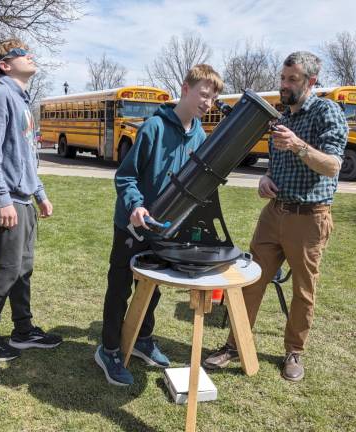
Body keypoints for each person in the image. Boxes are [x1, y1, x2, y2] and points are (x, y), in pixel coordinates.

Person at [203, 51, 348, 382]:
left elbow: (333, 166)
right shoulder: (281, 116)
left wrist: (297, 145)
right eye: (282, 78)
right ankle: (235, 344)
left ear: (310, 82)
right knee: (249, 279)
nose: (283, 85)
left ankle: (294, 351)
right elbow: (276, 166)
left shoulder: (327, 112)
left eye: (292, 80)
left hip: (309, 218)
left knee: (303, 289)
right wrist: (265, 180)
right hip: (274, 212)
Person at [95, 64, 224, 386]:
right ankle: (108, 349)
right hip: (132, 226)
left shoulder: (200, 135)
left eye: (213, 98)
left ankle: (141, 339)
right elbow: (126, 176)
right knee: (120, 287)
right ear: (185, 88)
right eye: (203, 95)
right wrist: (135, 206)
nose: (207, 103)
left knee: (151, 288)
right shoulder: (153, 127)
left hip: (166, 230)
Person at [0, 39, 62, 362]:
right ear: (5, 65)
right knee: (6, 269)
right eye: (21, 53)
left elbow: (25, 157)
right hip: (5, 202)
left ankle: (23, 330)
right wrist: (3, 199)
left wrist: (40, 194)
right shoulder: (0, 98)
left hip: (22, 199)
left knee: (23, 268)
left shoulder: (21, 101)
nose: (29, 55)